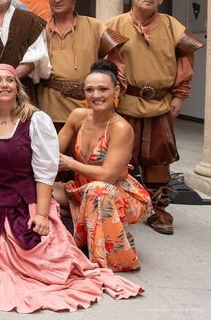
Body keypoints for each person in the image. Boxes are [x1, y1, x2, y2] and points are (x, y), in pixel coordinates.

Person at [0, 64, 144, 313]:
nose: (4, 84)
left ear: (18, 86)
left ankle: (104, 250)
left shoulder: (36, 120)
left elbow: (47, 169)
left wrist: (42, 214)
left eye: (10, 80)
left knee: (81, 204)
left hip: (69, 191)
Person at [105, 0, 204, 235]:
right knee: (119, 158)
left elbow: (186, 59)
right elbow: (105, 63)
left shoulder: (173, 26)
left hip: (160, 103)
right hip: (125, 103)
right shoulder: (114, 24)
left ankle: (158, 209)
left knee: (159, 159)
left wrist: (180, 95)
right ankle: (116, 208)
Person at [54, 60, 152, 271]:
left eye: (102, 89)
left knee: (97, 189)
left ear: (116, 90)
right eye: (90, 89)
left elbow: (107, 176)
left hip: (118, 194)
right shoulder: (78, 116)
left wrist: (71, 163)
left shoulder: (120, 128)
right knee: (38, 191)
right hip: (82, 189)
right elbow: (53, 152)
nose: (96, 95)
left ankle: (113, 260)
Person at [37, 0, 127, 131]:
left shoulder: (95, 26)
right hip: (49, 107)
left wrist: (112, 99)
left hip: (86, 105)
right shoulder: (40, 28)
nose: (57, 0)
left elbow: (115, 65)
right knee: (52, 153)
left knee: (84, 152)